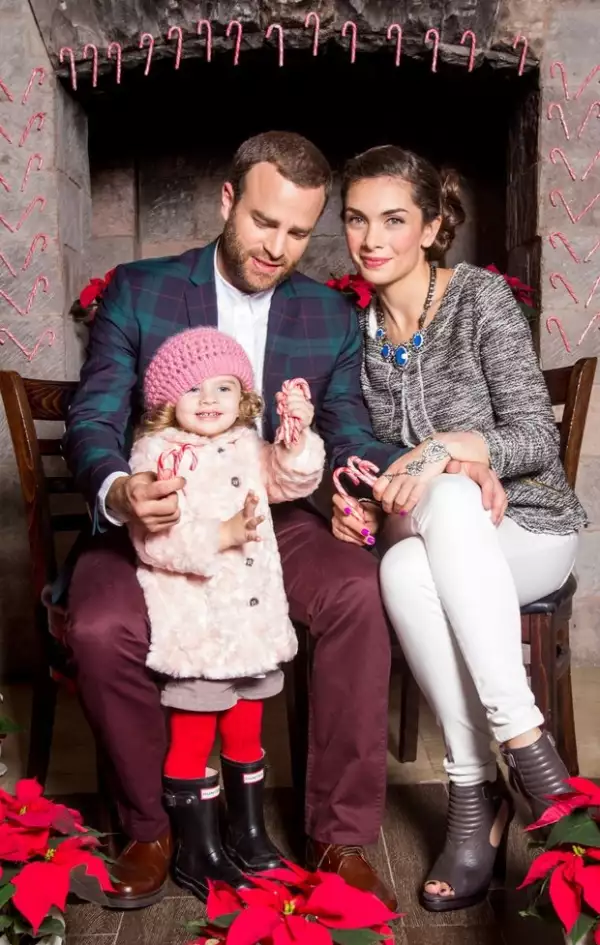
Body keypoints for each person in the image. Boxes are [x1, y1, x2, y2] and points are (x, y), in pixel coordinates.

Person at [62, 130, 505, 910]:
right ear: (228, 201)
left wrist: (367, 478)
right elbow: (94, 414)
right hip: (153, 523)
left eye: (299, 232)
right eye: (265, 223)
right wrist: (122, 488)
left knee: (358, 595)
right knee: (100, 627)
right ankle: (149, 828)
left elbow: (352, 430)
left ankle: (337, 834)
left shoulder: (327, 314)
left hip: (277, 522)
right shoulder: (144, 289)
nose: (278, 246)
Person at [329, 144, 587, 913]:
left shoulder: (479, 299)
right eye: (355, 219)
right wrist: (361, 490)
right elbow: (368, 455)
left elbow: (536, 441)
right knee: (401, 569)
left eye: (393, 220)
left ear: (433, 225)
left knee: (444, 497)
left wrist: (450, 450)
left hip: (530, 532)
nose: (371, 239)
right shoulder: (359, 333)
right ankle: (484, 795)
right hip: (434, 545)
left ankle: (518, 752)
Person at [126, 326, 325, 901]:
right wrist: (222, 533)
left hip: (253, 621)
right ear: (167, 401)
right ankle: (198, 850)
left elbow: (292, 480)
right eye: (193, 390)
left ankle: (249, 834)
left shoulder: (245, 443)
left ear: (244, 397)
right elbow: (155, 545)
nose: (210, 399)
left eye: (223, 387)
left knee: (246, 729)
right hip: (198, 622)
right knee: (194, 732)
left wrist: (296, 437)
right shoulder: (156, 454)